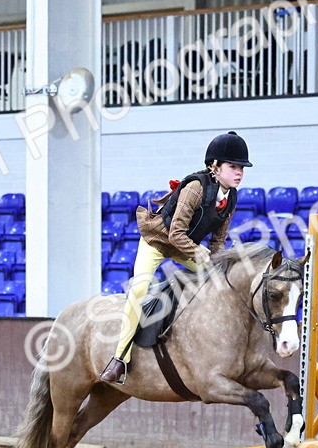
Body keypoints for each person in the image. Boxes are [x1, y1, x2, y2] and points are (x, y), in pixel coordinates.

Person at [100, 131, 251, 384]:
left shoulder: (231, 197)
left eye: (242, 168)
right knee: (138, 290)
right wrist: (197, 252)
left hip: (185, 247)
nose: (239, 172)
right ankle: (119, 359)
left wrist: (216, 264)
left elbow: (218, 241)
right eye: (233, 166)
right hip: (158, 241)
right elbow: (175, 234)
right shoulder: (195, 188)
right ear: (215, 166)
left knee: (218, 279)